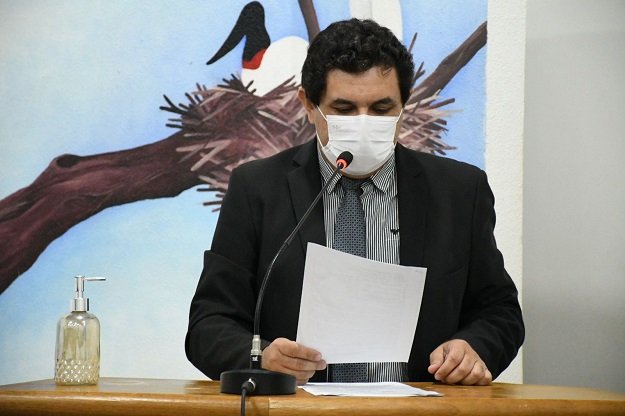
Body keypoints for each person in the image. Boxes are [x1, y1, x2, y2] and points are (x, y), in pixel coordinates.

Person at [185, 18, 524, 386]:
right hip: (299, 409)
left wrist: (473, 347)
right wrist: (262, 357)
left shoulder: (459, 191)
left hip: (418, 407)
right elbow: (209, 324)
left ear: (404, 104)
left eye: (381, 108)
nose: (364, 123)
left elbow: (500, 312)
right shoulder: (257, 189)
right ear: (308, 105)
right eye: (344, 109)